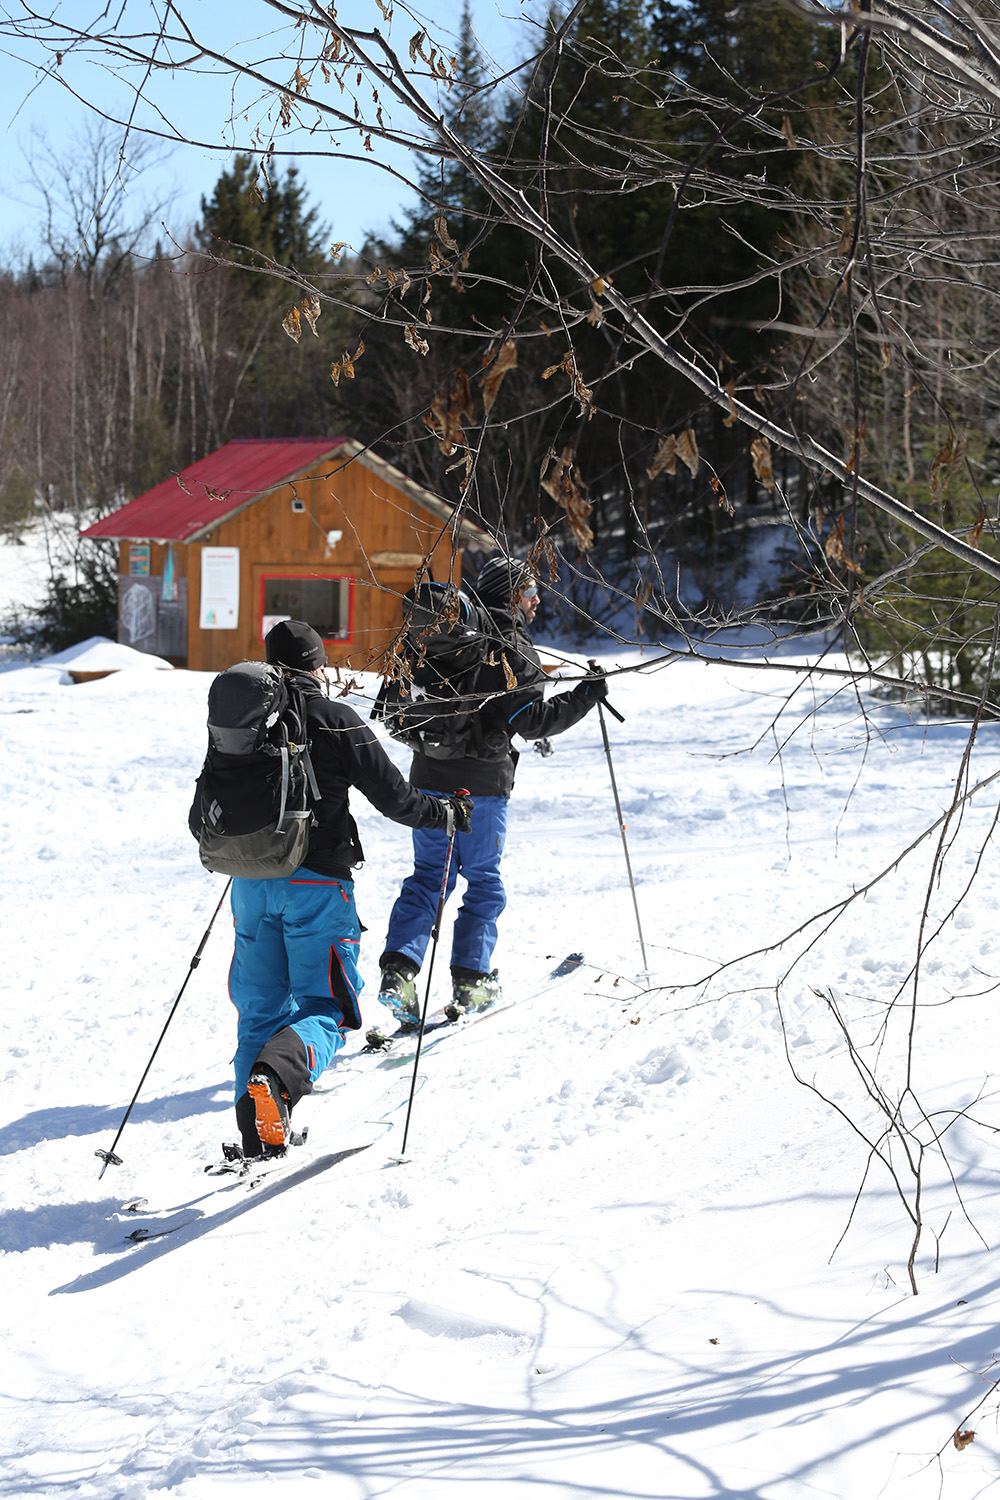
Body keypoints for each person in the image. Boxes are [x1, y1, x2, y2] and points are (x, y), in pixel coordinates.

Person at [198, 619, 471, 1158]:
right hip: (317, 886)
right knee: (327, 1008)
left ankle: (256, 1134)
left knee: (259, 1009)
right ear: (317, 666)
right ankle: (275, 1083)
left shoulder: (247, 719)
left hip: (250, 886)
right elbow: (395, 798)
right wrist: (444, 814)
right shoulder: (334, 719)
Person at [377, 555, 607, 1024]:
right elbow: (531, 722)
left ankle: (398, 973)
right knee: (481, 882)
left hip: (428, 780)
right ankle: (472, 981)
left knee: (428, 879)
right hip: (481, 786)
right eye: (529, 592)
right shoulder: (510, 643)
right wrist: (586, 696)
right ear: (509, 595)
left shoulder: (439, 635)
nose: (537, 599)